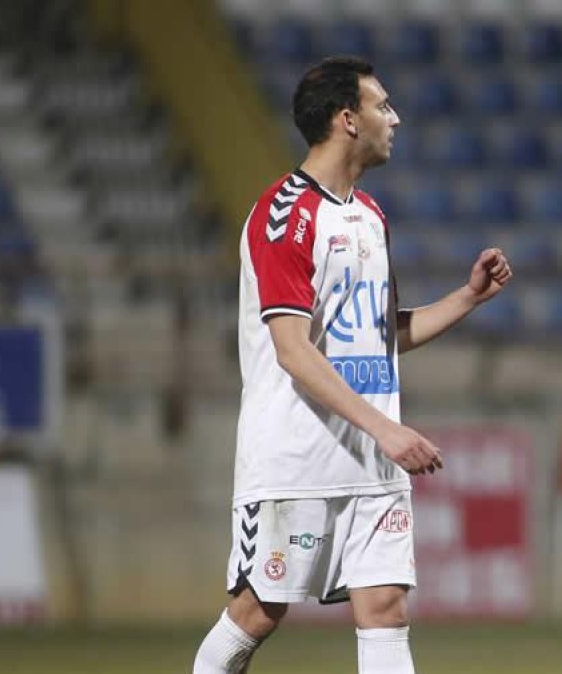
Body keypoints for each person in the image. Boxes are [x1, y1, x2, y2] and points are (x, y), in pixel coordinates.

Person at [193, 56, 513, 674]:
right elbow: (292, 349)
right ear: (347, 119)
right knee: (259, 610)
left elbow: (379, 337)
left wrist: (467, 297)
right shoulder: (283, 216)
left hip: (369, 463)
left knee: (386, 609)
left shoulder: (369, 215)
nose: (394, 118)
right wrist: (388, 430)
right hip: (295, 459)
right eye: (381, 106)